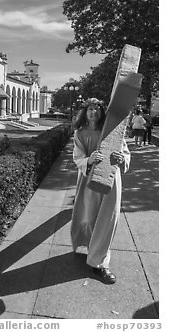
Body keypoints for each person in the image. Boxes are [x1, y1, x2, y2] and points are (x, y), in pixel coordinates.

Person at [70, 98, 130, 284]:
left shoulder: (112, 132)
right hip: (89, 180)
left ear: (102, 112)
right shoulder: (80, 133)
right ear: (85, 112)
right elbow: (77, 156)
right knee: (88, 217)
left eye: (97, 108)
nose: (93, 111)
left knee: (106, 221)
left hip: (111, 181)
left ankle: (101, 262)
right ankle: (90, 248)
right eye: (90, 108)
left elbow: (125, 152)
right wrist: (89, 160)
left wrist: (122, 159)